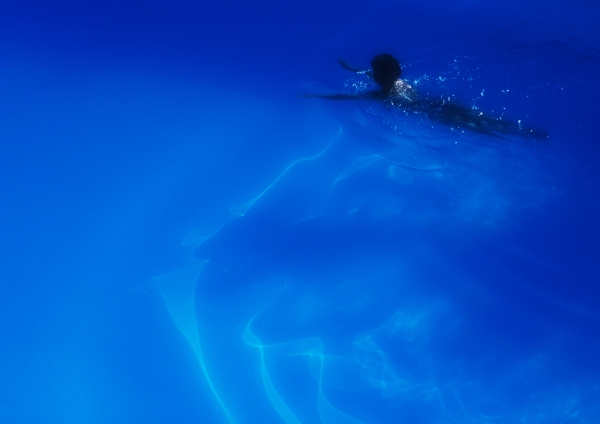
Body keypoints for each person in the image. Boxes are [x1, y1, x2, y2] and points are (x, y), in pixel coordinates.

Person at [300, 54, 548, 140]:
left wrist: (316, 95)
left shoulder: (380, 93)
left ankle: (521, 136)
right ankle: (524, 131)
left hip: (434, 114)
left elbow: (346, 98)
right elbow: (367, 72)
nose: (371, 73)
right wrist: (349, 68)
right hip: (440, 102)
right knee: (481, 118)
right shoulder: (397, 80)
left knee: (477, 128)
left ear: (378, 76)